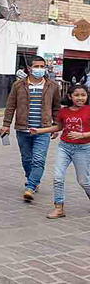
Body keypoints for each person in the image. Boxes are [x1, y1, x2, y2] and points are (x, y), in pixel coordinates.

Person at [0, 55, 61, 202]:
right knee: (27, 159)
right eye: (36, 66)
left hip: (43, 130)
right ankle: (32, 178)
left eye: (42, 66)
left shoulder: (52, 86)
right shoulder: (18, 85)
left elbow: (56, 108)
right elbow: (10, 106)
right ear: (29, 68)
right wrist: (6, 125)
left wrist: (56, 126)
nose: (39, 69)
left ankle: (31, 187)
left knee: (38, 160)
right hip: (23, 129)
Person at [29, 84, 90, 219]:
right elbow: (58, 127)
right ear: (70, 96)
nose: (80, 98)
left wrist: (83, 135)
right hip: (64, 147)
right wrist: (39, 131)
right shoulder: (64, 112)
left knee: (84, 181)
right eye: (76, 95)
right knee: (58, 177)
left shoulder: (89, 110)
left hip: (83, 149)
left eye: (83, 95)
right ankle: (59, 207)